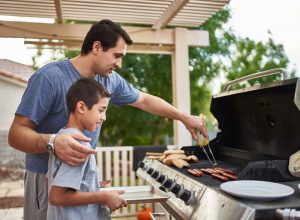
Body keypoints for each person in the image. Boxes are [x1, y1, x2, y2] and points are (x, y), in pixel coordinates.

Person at [8, 19, 208, 220]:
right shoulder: (49, 78)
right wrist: (53, 143)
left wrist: (184, 117)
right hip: (45, 180)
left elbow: (145, 100)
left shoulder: (109, 79)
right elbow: (16, 135)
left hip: (80, 183)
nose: (119, 64)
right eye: (116, 55)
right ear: (97, 47)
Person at [47, 78, 125, 220]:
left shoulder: (62, 137)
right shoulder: (79, 145)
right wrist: (104, 196)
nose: (104, 117)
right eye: (101, 110)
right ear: (81, 107)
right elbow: (57, 196)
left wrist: (91, 184)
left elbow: (53, 181)